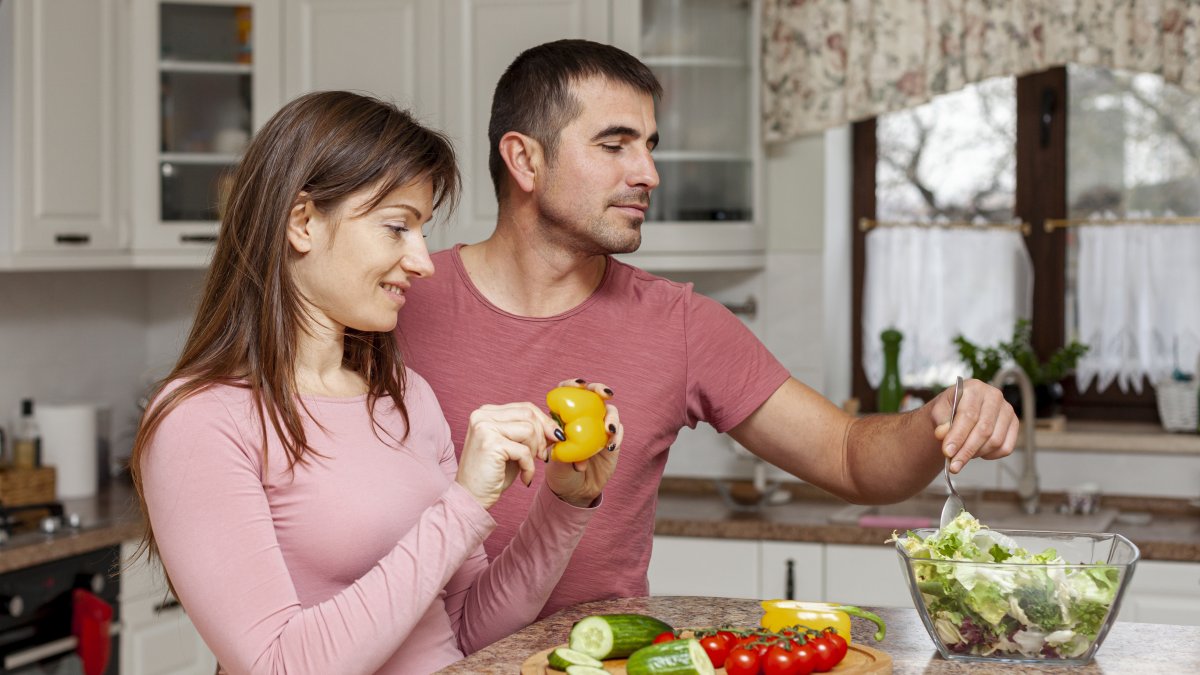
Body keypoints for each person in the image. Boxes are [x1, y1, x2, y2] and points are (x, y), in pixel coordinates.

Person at [394, 39, 1019, 619]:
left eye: (650, 146)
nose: (648, 174)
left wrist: (938, 417)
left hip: (605, 658)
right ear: (524, 159)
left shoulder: (682, 323)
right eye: (614, 146)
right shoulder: (394, 305)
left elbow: (852, 459)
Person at [130, 90, 621, 675]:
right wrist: (461, 506)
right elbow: (277, 665)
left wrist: (565, 503)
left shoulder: (406, 396)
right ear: (302, 222)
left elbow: (467, 629)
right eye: (397, 228)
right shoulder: (202, 419)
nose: (423, 260)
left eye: (422, 230)